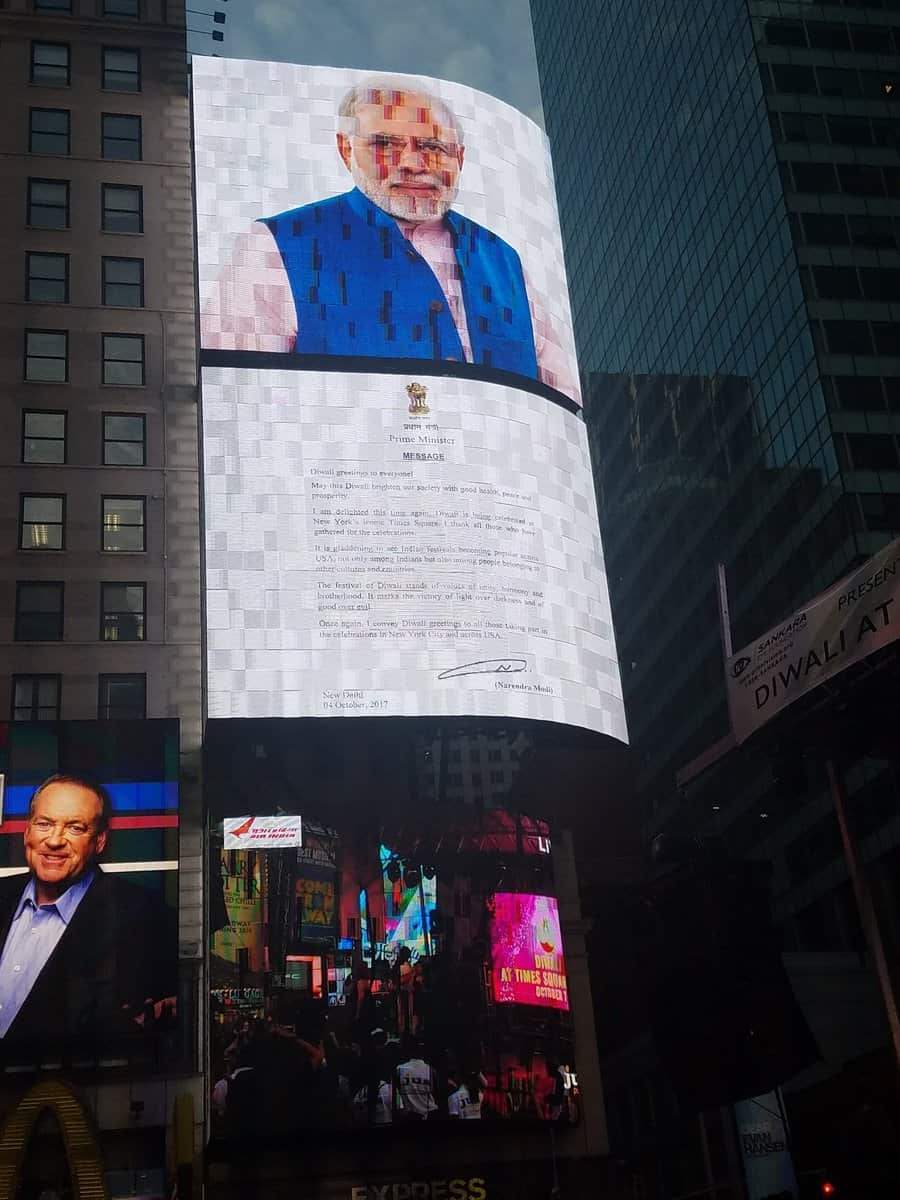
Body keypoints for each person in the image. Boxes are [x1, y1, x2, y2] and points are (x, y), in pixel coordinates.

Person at [202, 76, 577, 401]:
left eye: (432, 147)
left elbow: (561, 403)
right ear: (346, 149)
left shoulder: (504, 261)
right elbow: (235, 393)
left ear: (459, 158)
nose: (413, 163)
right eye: (386, 144)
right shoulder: (277, 244)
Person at [0, 773, 177, 1045]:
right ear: (27, 832)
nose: (55, 840)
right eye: (44, 824)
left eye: (75, 828)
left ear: (100, 841)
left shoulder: (145, 917)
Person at [395, 1038, 438, 1120]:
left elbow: (396, 1094)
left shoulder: (399, 1069)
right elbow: (435, 1092)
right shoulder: (431, 1070)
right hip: (429, 1113)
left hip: (412, 1114)